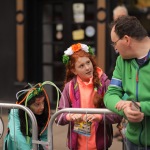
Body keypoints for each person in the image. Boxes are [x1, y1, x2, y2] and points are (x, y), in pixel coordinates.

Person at [55, 43, 122, 150]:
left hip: (100, 145)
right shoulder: (70, 87)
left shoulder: (104, 83)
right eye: (81, 66)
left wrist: (99, 117)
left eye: (88, 62)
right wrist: (70, 116)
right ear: (74, 70)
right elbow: (59, 117)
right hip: (77, 146)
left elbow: (117, 114)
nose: (87, 68)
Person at [104, 15, 150, 149]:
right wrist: (125, 108)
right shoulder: (121, 61)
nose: (115, 49)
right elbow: (110, 95)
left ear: (126, 40)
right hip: (132, 142)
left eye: (114, 43)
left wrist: (141, 107)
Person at [4, 82, 51, 150]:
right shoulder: (15, 111)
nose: (42, 107)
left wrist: (43, 147)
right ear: (27, 105)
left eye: (43, 102)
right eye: (37, 104)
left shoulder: (44, 114)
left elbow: (45, 137)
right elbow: (16, 134)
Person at [108, 5, 129, 79]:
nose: (120, 20)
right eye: (118, 17)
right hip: (112, 73)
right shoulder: (109, 33)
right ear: (114, 18)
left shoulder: (133, 32)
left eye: (123, 17)